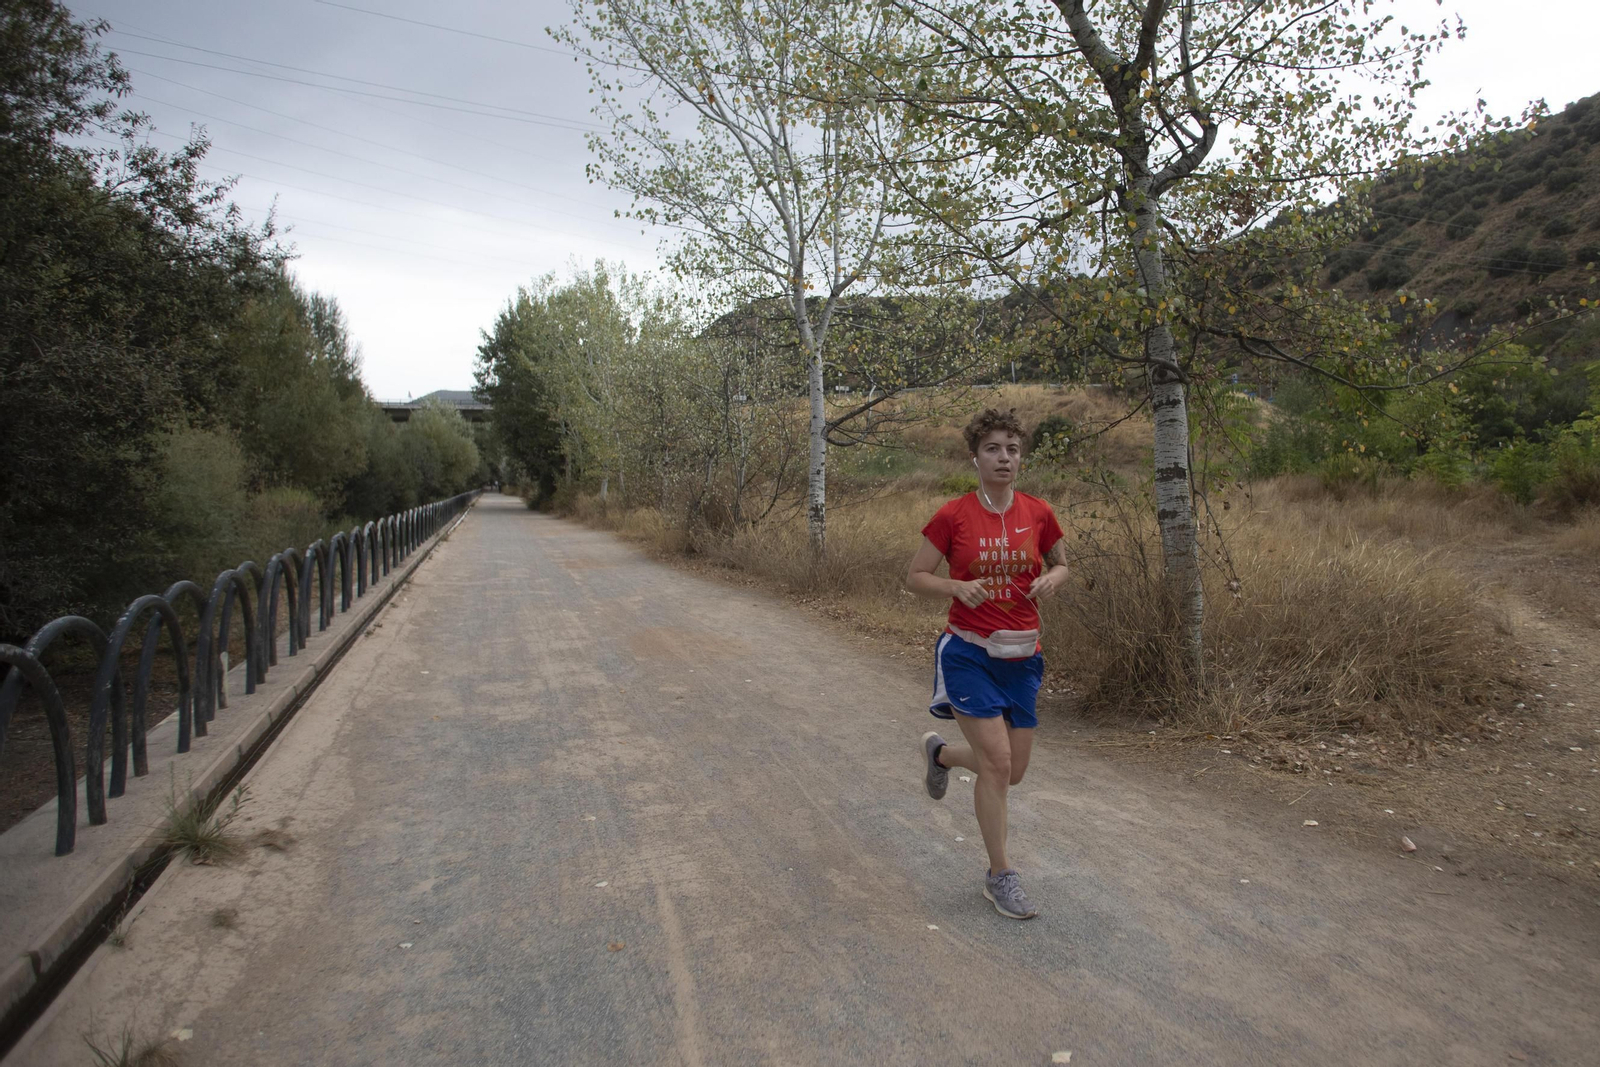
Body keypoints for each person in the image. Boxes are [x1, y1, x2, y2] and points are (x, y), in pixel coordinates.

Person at [905, 408, 1068, 919]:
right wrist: (955, 586)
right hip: (969, 653)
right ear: (975, 457)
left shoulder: (1038, 512)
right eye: (993, 449)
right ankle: (1001, 876)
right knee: (997, 764)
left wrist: (1052, 579)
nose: (1004, 458)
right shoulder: (953, 515)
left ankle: (941, 756)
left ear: (1021, 458)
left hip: (1023, 656)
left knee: (1012, 771)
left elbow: (1062, 564)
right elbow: (915, 576)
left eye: (1012, 450)